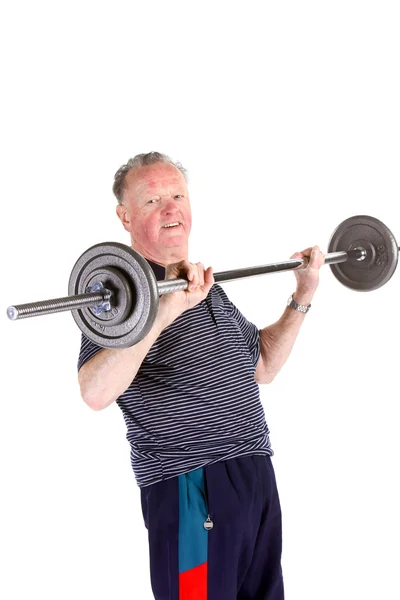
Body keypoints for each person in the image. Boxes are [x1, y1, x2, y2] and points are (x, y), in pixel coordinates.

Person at [77, 152, 325, 600]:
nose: (171, 208)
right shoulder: (118, 293)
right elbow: (95, 391)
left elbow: (262, 365)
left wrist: (302, 296)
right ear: (125, 216)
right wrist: (163, 312)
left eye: (177, 195)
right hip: (191, 488)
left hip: (255, 480)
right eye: (152, 200)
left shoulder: (208, 288)